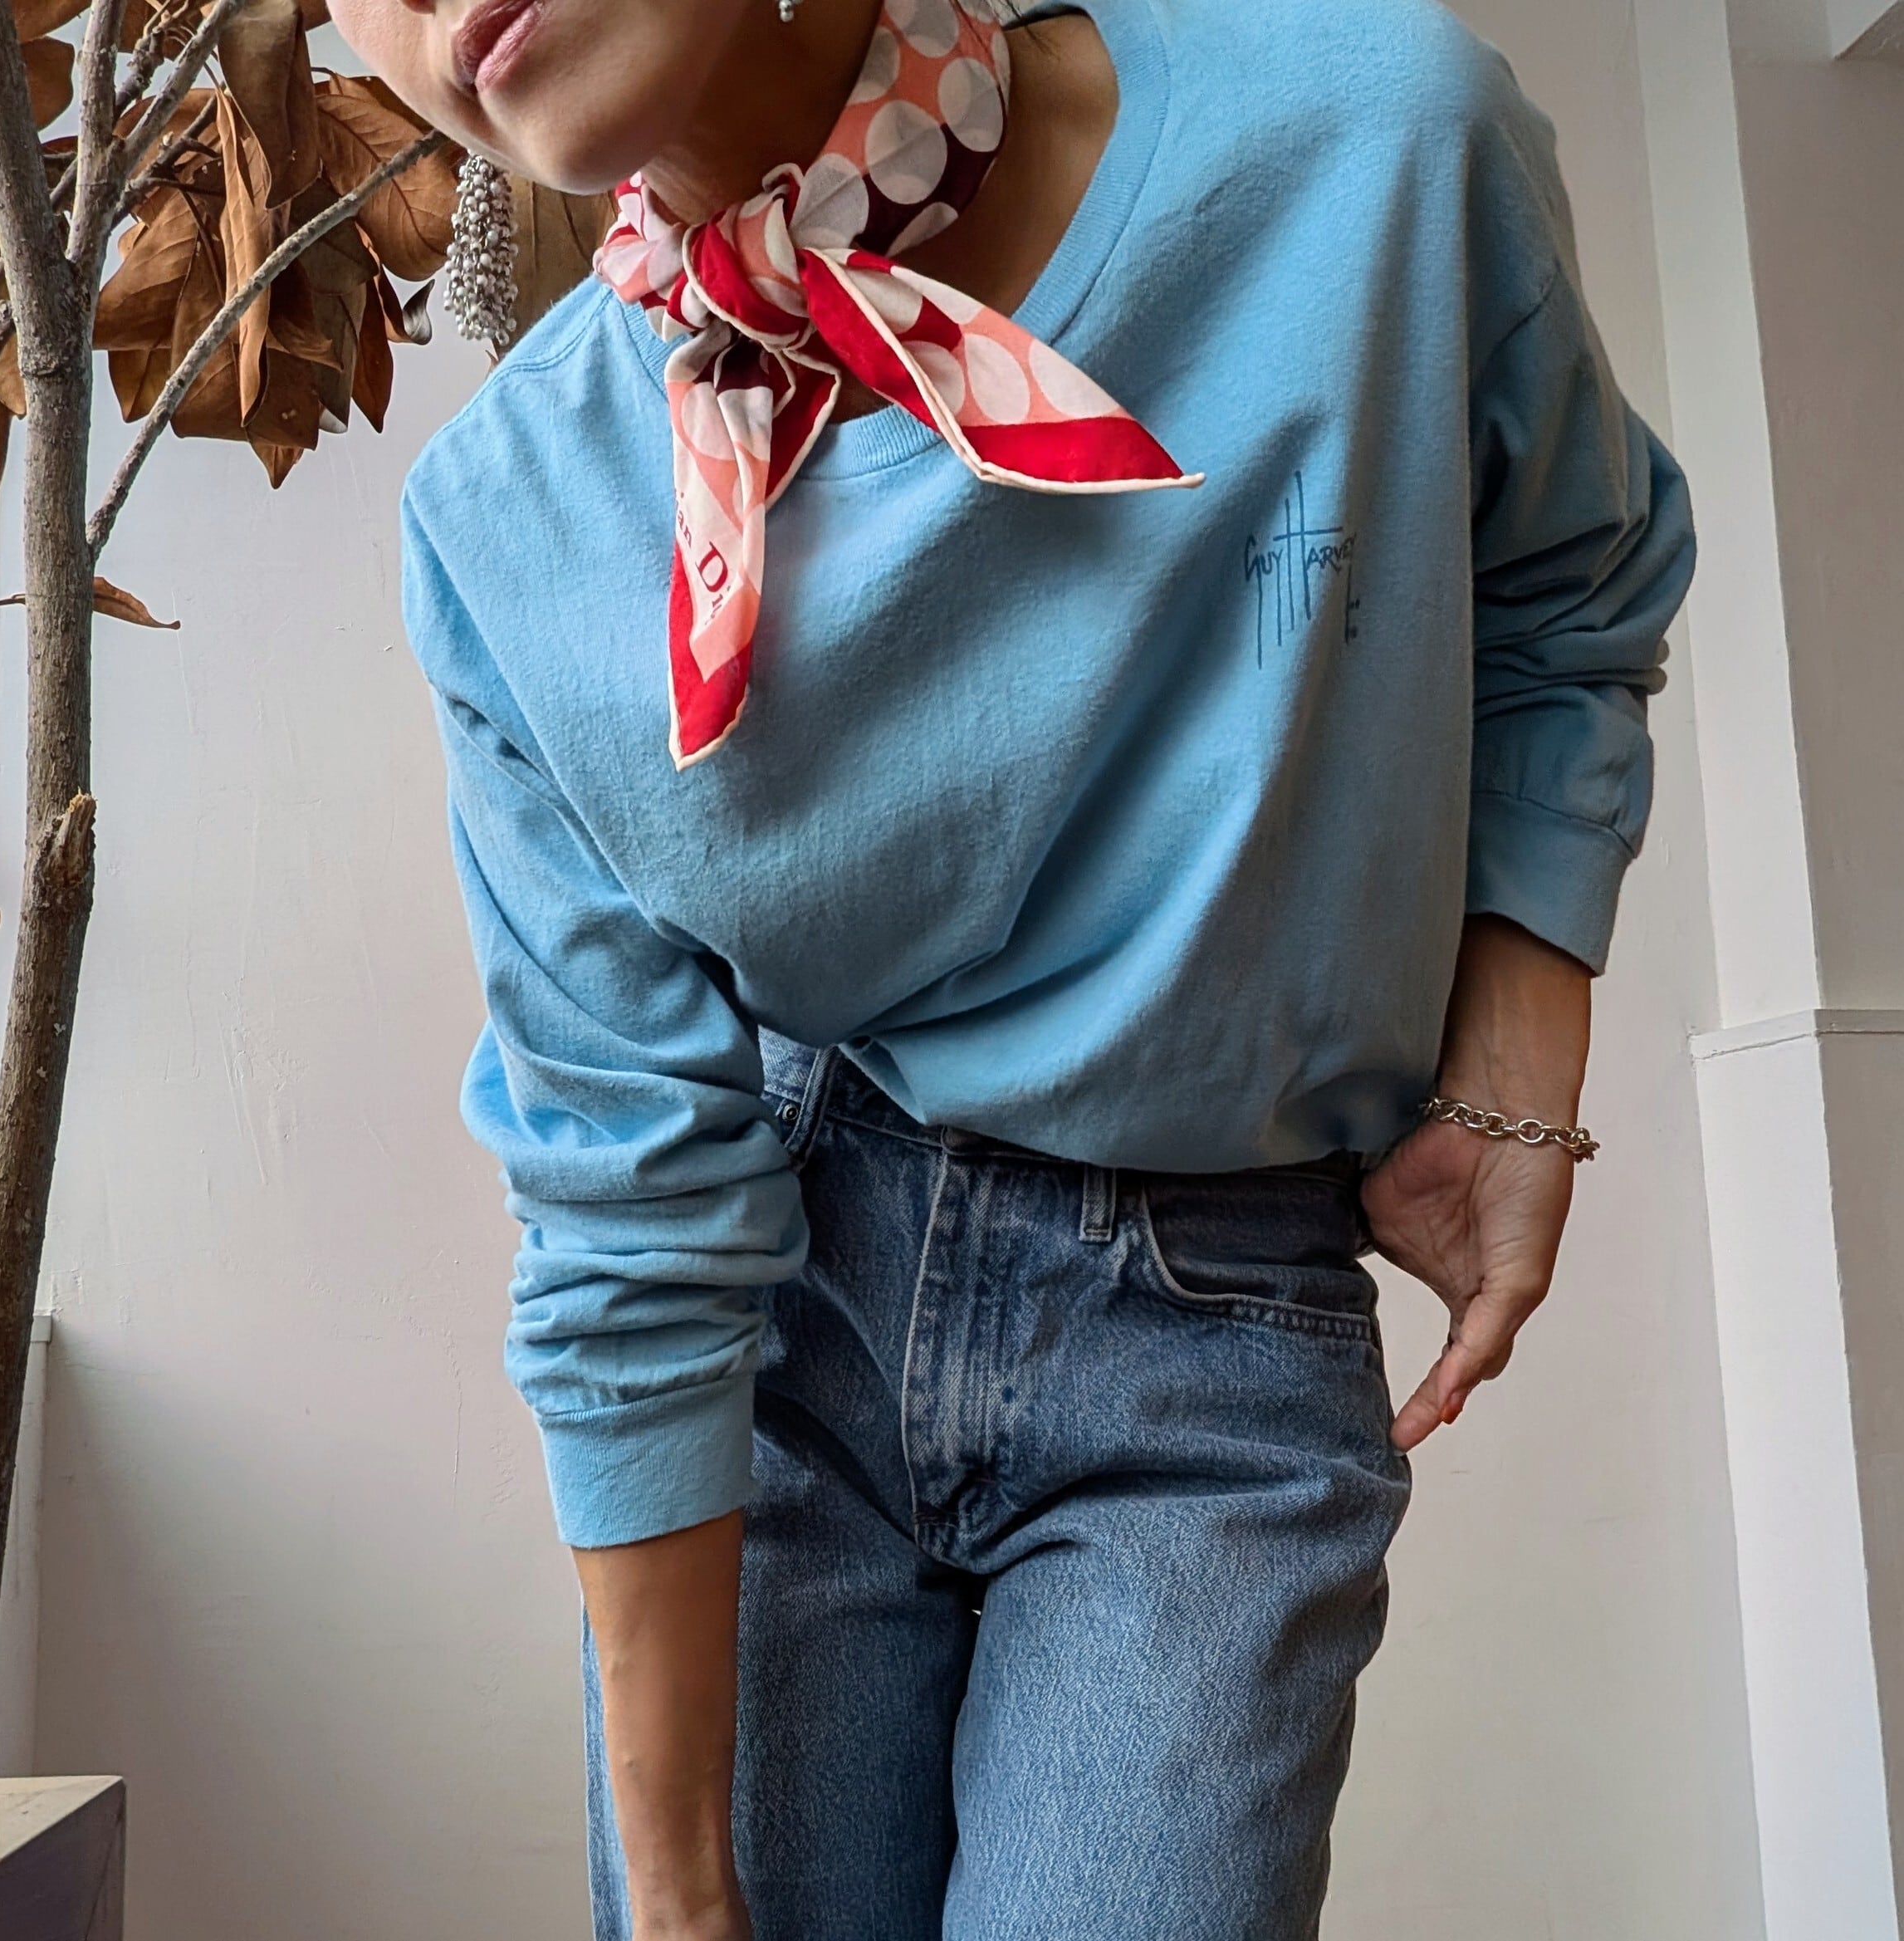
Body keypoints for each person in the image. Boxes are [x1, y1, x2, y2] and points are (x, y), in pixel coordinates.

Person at [325, 0, 1696, 1933]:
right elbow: (624, 1194)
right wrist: (683, 1896)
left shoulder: (1380, 142)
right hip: (771, 1342)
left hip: (1208, 1341)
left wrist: (1513, 1057)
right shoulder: (502, 518)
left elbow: (1568, 583)